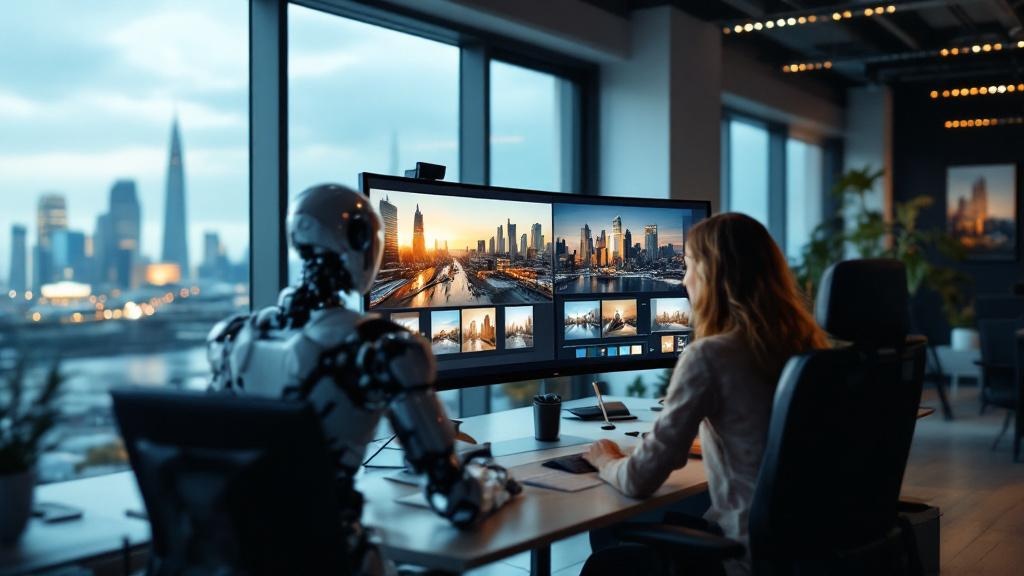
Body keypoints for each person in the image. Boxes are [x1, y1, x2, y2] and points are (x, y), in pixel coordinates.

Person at [207, 184, 519, 575]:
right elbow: (458, 502)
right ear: (360, 243)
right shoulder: (380, 349)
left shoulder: (233, 340)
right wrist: (494, 480)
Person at [582, 212, 829, 575]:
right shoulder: (809, 348)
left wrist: (605, 459)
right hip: (810, 551)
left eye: (688, 266)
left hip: (742, 558)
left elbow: (638, 480)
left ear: (711, 274)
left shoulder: (711, 355)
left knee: (606, 559)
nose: (683, 280)